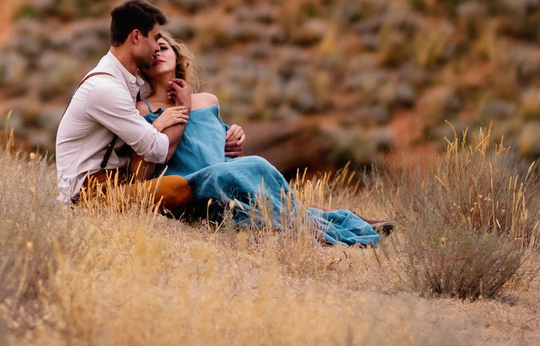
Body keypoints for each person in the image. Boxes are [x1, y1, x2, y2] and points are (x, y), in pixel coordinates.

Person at [137, 34, 389, 246]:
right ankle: (339, 223)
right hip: (194, 184)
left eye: (164, 47)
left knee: (263, 184)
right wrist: (180, 108)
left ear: (178, 57)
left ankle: (344, 220)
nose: (158, 52)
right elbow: (153, 153)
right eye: (153, 50)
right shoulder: (141, 110)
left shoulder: (207, 100)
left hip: (226, 174)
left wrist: (233, 138)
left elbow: (216, 144)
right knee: (246, 175)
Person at [55, 0, 196, 211]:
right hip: (87, 193)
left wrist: (229, 133)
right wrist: (182, 110)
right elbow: (158, 150)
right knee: (178, 188)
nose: (158, 48)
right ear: (136, 36)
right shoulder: (105, 88)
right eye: (156, 39)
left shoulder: (127, 81)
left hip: (115, 182)